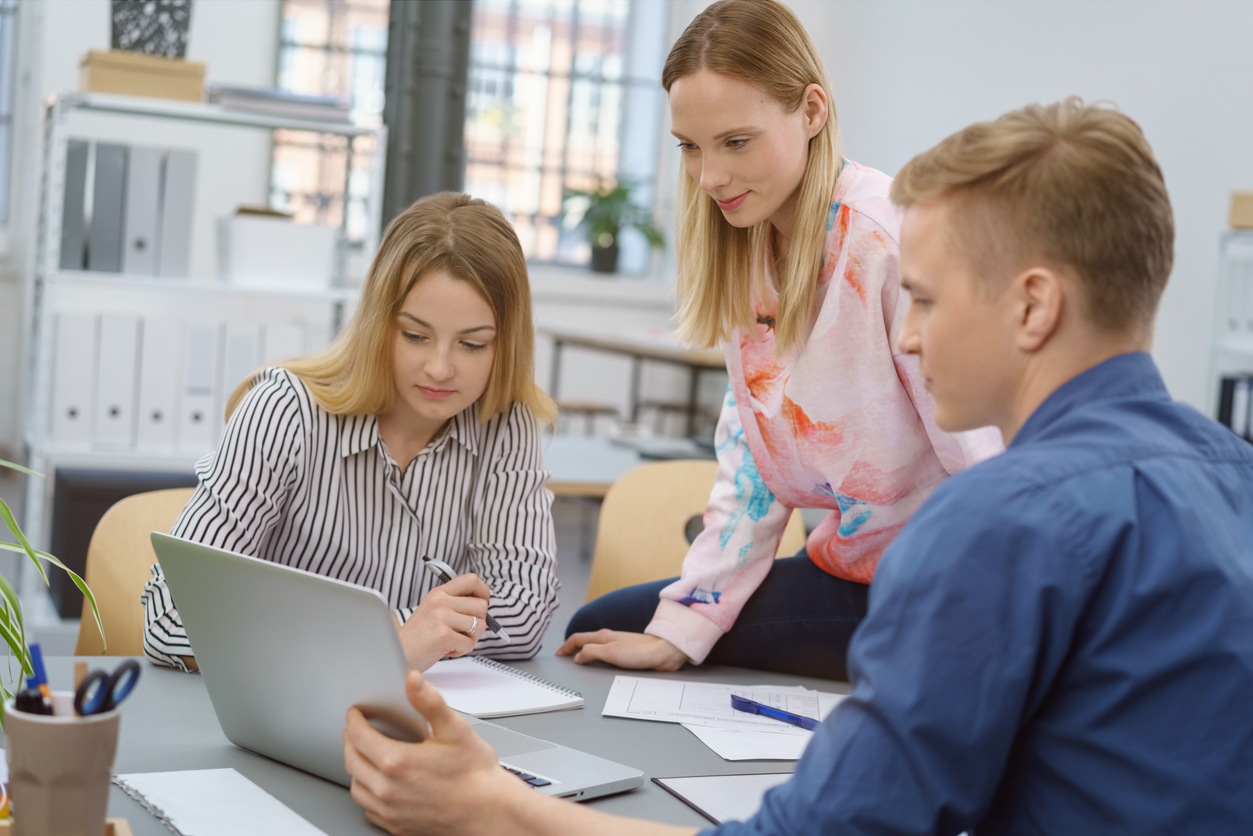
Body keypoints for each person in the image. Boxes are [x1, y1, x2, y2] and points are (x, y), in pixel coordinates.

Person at [341, 99, 1253, 835]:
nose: (901, 330)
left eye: (925, 298)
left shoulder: (994, 525)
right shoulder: (1234, 476)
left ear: (1032, 309)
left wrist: (498, 809)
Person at [558, 0, 1000, 680]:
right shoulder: (751, 247)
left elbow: (983, 463)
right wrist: (688, 623)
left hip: (941, 593)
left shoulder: (886, 243)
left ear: (812, 112)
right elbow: (751, 472)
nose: (709, 177)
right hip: (851, 568)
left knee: (613, 632)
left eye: (735, 142)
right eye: (690, 147)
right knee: (602, 628)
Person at [142, 192, 560, 673]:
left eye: (472, 344)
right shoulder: (285, 410)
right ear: (378, 323)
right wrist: (394, 641)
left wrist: (411, 638)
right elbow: (172, 617)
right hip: (279, 723)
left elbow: (522, 612)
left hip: (420, 725)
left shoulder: (504, 422)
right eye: (415, 335)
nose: (440, 368)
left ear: (504, 344)